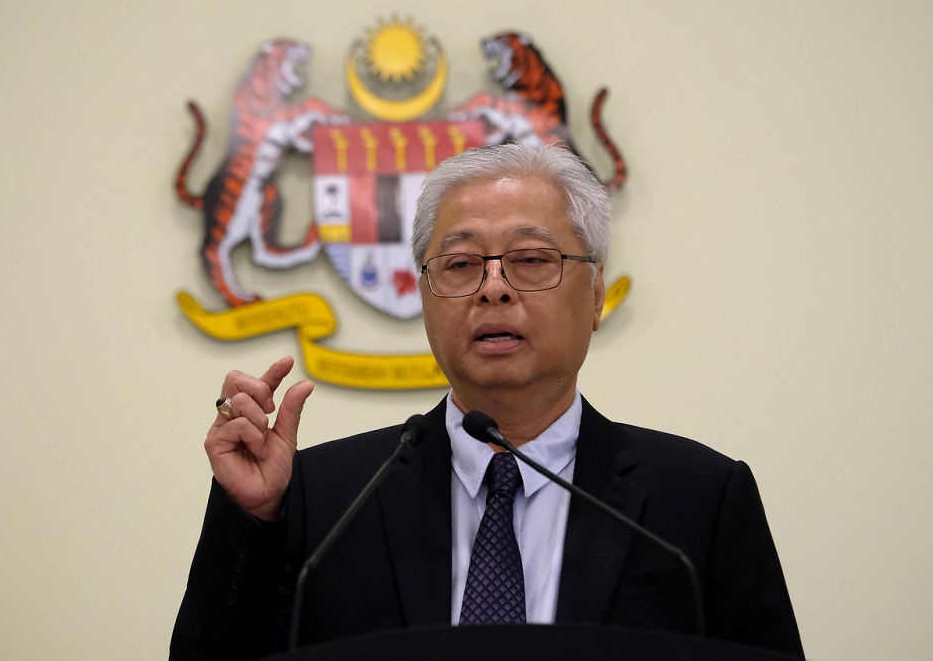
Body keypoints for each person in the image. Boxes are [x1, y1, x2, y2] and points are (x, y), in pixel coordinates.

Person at [170, 143, 804, 659]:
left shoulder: (699, 499)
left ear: (596, 294)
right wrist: (249, 519)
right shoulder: (323, 498)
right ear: (424, 294)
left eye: (532, 259)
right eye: (460, 264)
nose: (494, 288)